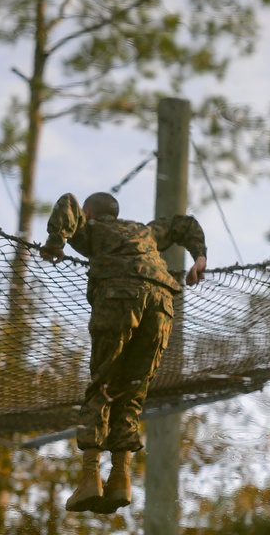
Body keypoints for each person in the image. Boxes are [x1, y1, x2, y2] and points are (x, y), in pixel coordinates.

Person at [40, 191, 208, 514]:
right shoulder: (145, 232)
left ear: (89, 215)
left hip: (121, 295)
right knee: (131, 392)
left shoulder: (92, 230)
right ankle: (120, 479)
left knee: (102, 384)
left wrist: (56, 240)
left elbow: (68, 203)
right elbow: (180, 224)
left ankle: (91, 478)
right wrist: (199, 256)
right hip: (162, 303)